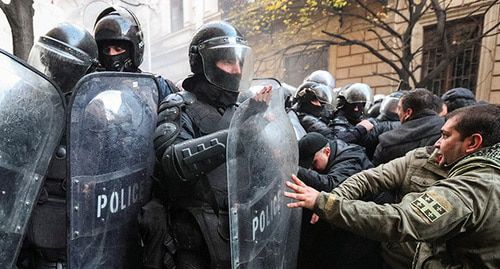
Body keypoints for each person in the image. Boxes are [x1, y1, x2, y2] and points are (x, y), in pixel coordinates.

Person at [285, 104, 500, 268]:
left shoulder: (472, 189)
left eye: (445, 136)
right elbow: (371, 178)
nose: (437, 143)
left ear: (472, 143)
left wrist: (324, 203)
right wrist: (334, 198)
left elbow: (400, 219)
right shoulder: (430, 159)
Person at [146, 21, 254, 269]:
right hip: (195, 243)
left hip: (244, 232)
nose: (236, 70)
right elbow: (171, 161)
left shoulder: (245, 108)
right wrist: (234, 138)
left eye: (239, 62)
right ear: (202, 63)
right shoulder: (179, 105)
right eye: (228, 61)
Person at [18, 23, 99, 269]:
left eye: (64, 66)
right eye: (49, 61)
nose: (53, 71)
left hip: (74, 239)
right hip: (24, 236)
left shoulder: (95, 116)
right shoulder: (27, 107)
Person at [295, 132, 378, 269]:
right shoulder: (335, 154)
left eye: (314, 162)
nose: (313, 168)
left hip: (366, 223)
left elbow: (332, 184)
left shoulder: (351, 159)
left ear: (327, 151)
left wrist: (295, 169)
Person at [93, 6, 177, 101]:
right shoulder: (92, 88)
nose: (112, 54)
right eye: (107, 50)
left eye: (118, 49)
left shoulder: (156, 86)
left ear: (134, 50)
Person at [372, 88, 444, 165]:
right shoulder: (449, 130)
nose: (397, 112)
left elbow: (376, 174)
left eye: (399, 108)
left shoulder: (387, 142)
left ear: (408, 112)